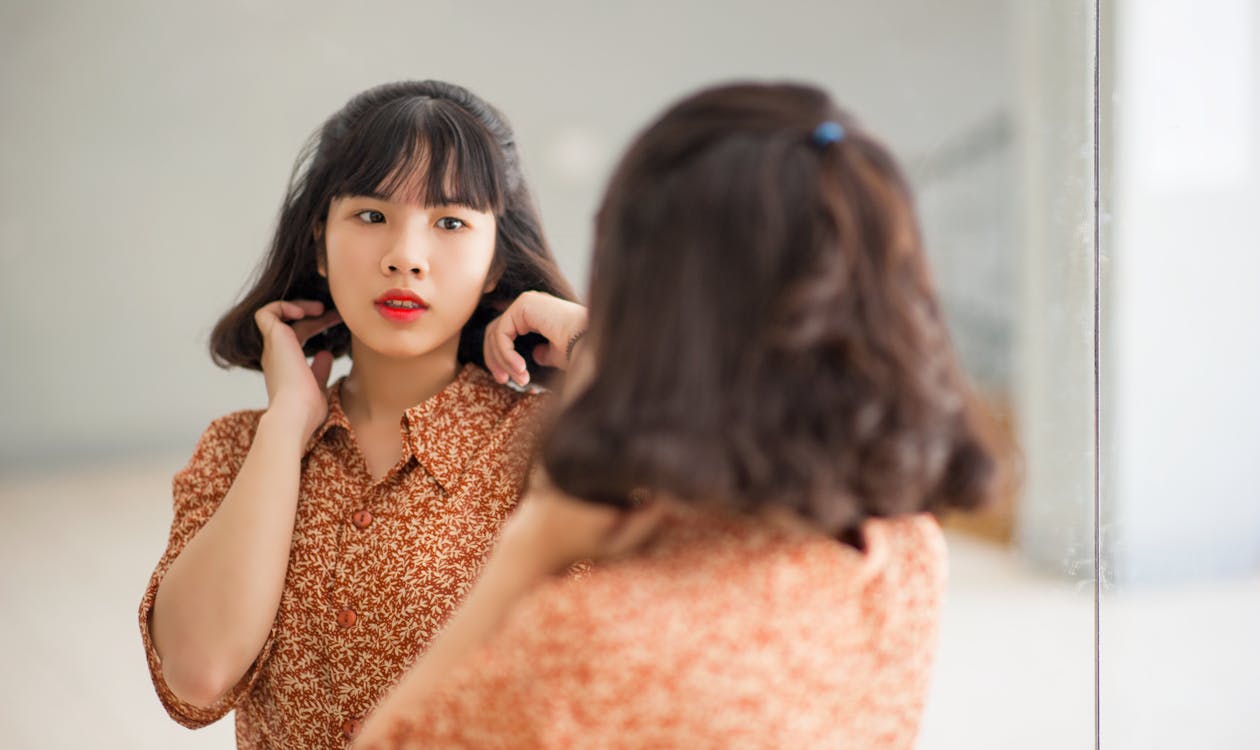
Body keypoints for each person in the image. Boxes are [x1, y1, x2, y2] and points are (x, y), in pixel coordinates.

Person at [355, 81, 998, 750]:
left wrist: (524, 556)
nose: (407, 257)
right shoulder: (902, 553)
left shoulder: (593, 643)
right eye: (371, 215)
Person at [137, 79, 587, 749]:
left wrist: (589, 335)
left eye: (451, 222)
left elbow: (750, 460)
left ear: (496, 261)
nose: (405, 255)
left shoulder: (559, 451)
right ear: (320, 245)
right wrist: (286, 423)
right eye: (372, 216)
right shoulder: (240, 452)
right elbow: (198, 677)